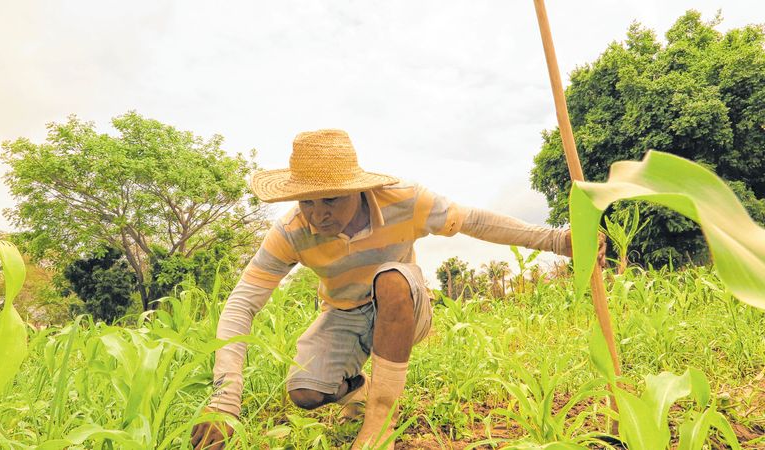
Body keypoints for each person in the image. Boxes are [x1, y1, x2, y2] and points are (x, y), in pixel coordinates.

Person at [190, 129, 604, 449]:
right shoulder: (292, 232)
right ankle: (358, 390)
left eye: (330, 200)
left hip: (403, 303)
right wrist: (225, 400)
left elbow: (475, 220)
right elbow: (242, 303)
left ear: (356, 187)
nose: (318, 216)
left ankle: (379, 420)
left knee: (390, 277)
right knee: (304, 392)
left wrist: (556, 240)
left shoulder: (403, 200)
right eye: (307, 203)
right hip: (342, 314)